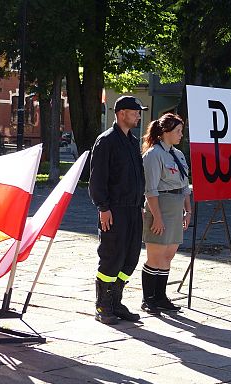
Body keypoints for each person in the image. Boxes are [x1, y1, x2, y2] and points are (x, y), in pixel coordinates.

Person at [89, 95, 147, 325]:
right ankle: (103, 305)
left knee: (130, 257)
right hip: (114, 209)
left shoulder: (132, 141)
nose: (138, 116)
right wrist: (103, 207)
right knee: (112, 255)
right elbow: (98, 179)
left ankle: (116, 302)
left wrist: (140, 205)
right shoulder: (107, 141)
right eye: (135, 112)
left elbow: (138, 177)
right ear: (122, 113)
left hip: (133, 209)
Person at [140, 113, 192, 314]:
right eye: (178, 131)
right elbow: (150, 189)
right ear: (165, 132)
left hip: (176, 206)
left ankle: (160, 297)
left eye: (181, 131)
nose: (181, 135)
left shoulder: (177, 154)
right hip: (160, 207)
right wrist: (157, 217)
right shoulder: (153, 155)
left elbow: (185, 185)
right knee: (155, 256)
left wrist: (188, 210)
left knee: (168, 256)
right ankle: (148, 298)